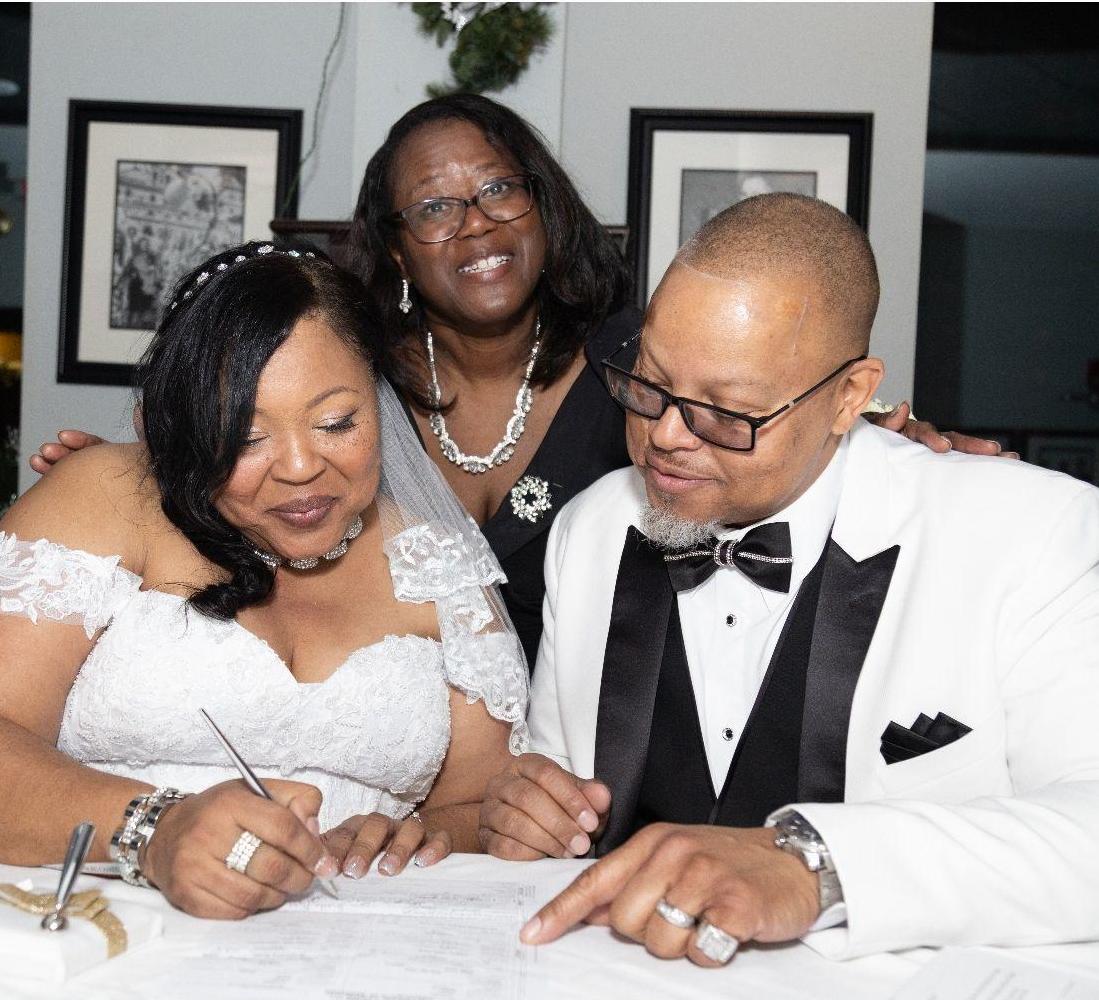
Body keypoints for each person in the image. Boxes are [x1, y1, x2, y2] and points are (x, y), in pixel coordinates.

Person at [29, 95, 1005, 672]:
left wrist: (887, 445)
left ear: (542, 203)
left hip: (621, 736)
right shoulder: (353, 377)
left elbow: (778, 418)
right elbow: (252, 440)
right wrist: (136, 476)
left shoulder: (642, 362)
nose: (477, 222)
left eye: (499, 188)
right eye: (435, 206)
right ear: (398, 244)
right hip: (420, 756)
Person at [479, 193, 1099, 966]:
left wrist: (817, 864)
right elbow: (553, 782)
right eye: (648, 383)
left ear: (847, 397)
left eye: (726, 411)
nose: (665, 436)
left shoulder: (1029, 532)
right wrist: (524, 811)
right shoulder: (591, 528)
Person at [0, 241, 526, 919]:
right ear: (188, 425)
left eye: (337, 422)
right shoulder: (102, 496)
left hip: (359, 960)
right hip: (107, 937)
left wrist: (424, 834)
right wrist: (154, 831)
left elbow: (478, 805)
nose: (302, 467)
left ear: (380, 396)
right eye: (247, 437)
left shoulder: (441, 567)